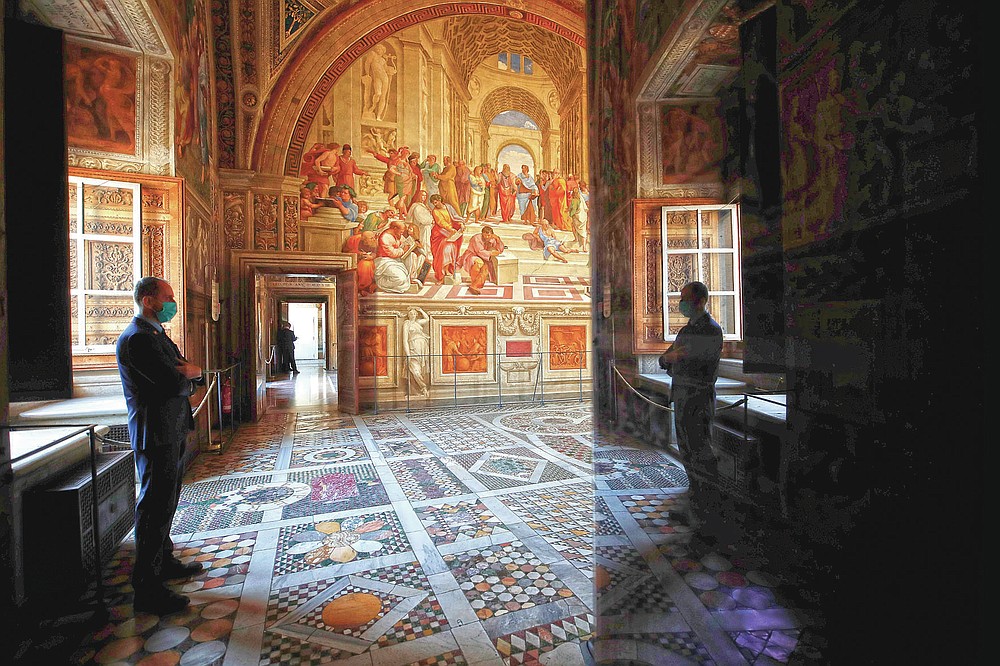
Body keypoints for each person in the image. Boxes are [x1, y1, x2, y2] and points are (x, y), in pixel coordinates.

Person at [116, 277, 205, 615]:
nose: (173, 302)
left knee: (165, 502)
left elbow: (186, 375)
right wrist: (192, 372)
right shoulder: (138, 338)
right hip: (155, 432)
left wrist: (191, 373)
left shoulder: (155, 334)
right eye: (168, 297)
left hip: (169, 430)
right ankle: (148, 587)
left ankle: (163, 561)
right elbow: (174, 379)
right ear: (149, 300)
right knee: (153, 507)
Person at [657, 281, 723, 528]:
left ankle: (709, 512)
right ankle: (695, 503)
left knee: (700, 451)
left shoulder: (711, 330)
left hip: (698, 399)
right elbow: (665, 360)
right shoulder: (686, 331)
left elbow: (696, 363)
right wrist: (670, 358)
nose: (681, 303)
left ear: (700, 301)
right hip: (682, 396)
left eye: (685, 298)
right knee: (686, 450)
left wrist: (675, 358)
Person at [459, 225, 505, 295]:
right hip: (472, 255)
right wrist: (491, 253)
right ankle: (474, 284)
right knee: (479, 263)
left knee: (485, 269)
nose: (487, 237)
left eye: (489, 236)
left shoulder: (492, 238)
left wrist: (498, 240)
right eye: (485, 235)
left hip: (485, 257)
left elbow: (500, 249)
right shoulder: (476, 238)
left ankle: (474, 286)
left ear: (492, 235)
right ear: (482, 233)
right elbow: (479, 251)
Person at [429, 194, 464, 283]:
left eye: (436, 202)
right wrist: (450, 229)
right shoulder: (435, 211)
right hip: (440, 233)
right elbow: (441, 222)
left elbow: (455, 216)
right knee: (442, 253)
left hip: (451, 233)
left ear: (440, 199)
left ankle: (448, 270)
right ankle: (442, 273)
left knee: (451, 250)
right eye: (433, 203)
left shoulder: (448, 207)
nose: (435, 204)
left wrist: (461, 224)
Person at [402, 308, 431, 397]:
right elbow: (405, 340)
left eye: (414, 313)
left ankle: (423, 389)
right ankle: (423, 388)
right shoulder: (407, 324)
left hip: (423, 348)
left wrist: (421, 310)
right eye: (411, 313)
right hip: (413, 348)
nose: (413, 315)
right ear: (408, 315)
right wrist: (407, 353)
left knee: (422, 370)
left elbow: (427, 319)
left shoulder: (417, 322)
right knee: (415, 370)